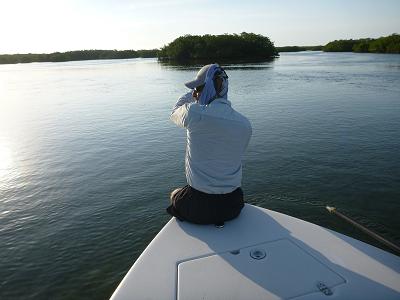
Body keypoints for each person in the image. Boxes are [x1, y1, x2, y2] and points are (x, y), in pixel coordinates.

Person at [166, 63, 252, 225]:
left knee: (175, 193)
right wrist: (201, 90)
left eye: (198, 89)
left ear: (208, 88)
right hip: (233, 204)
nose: (196, 94)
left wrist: (192, 95)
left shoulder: (193, 113)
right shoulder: (245, 124)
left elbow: (174, 112)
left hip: (199, 207)